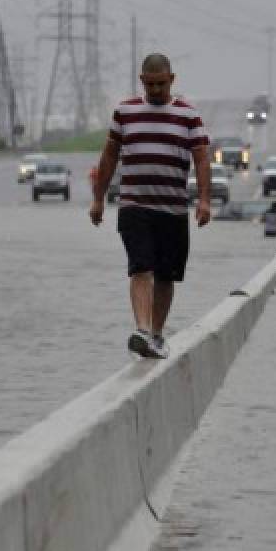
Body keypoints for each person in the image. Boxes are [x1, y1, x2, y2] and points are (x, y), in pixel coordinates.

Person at [89, 53, 211, 359]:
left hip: (173, 209)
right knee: (141, 267)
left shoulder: (188, 115)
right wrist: (98, 199)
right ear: (142, 81)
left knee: (167, 276)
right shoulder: (125, 112)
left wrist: (205, 200)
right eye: (150, 84)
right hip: (135, 205)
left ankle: (156, 334)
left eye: (161, 84)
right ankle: (142, 330)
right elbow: (108, 157)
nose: (156, 90)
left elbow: (201, 158)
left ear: (172, 80)